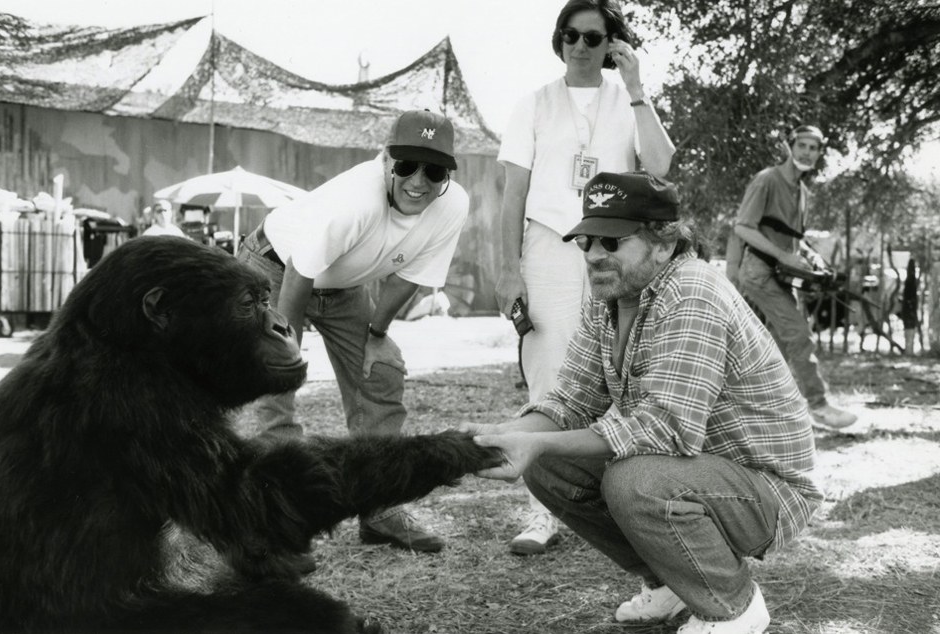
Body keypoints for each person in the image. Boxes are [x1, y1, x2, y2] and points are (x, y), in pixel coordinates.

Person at [466, 172, 822, 634]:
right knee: (548, 467)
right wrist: (506, 439)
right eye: (587, 241)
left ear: (663, 243)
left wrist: (538, 444)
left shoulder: (693, 290)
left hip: (767, 488)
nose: (595, 255)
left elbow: (664, 429)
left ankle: (733, 608)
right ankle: (673, 583)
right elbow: (572, 399)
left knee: (634, 479)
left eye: (612, 242)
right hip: (699, 470)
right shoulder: (609, 297)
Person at [237, 109, 469, 558]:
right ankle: (283, 520)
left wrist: (377, 335)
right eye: (406, 165)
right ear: (385, 160)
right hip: (276, 267)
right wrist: (286, 351)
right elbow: (299, 276)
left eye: (434, 170)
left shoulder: (452, 205)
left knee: (381, 373)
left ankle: (380, 507)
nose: (418, 181)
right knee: (275, 390)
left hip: (343, 285)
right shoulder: (355, 202)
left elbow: (409, 276)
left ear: (447, 175)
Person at [494, 0, 676, 555]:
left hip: (612, 245)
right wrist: (507, 269)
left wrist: (637, 84)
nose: (580, 46)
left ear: (609, 44)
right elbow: (512, 196)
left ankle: (621, 499)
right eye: (570, 35)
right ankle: (541, 510)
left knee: (618, 368)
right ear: (559, 40)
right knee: (551, 372)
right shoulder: (532, 104)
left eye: (593, 38)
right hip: (548, 243)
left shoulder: (628, 100)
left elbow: (662, 167)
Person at [730, 125, 857, 429]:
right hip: (759, 272)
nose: (807, 152)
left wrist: (811, 259)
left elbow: (793, 239)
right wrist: (783, 255)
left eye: (814, 148)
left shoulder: (802, 192)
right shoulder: (767, 180)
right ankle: (819, 405)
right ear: (789, 146)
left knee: (779, 344)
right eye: (802, 145)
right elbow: (743, 227)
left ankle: (754, 407)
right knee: (799, 335)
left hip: (784, 275)